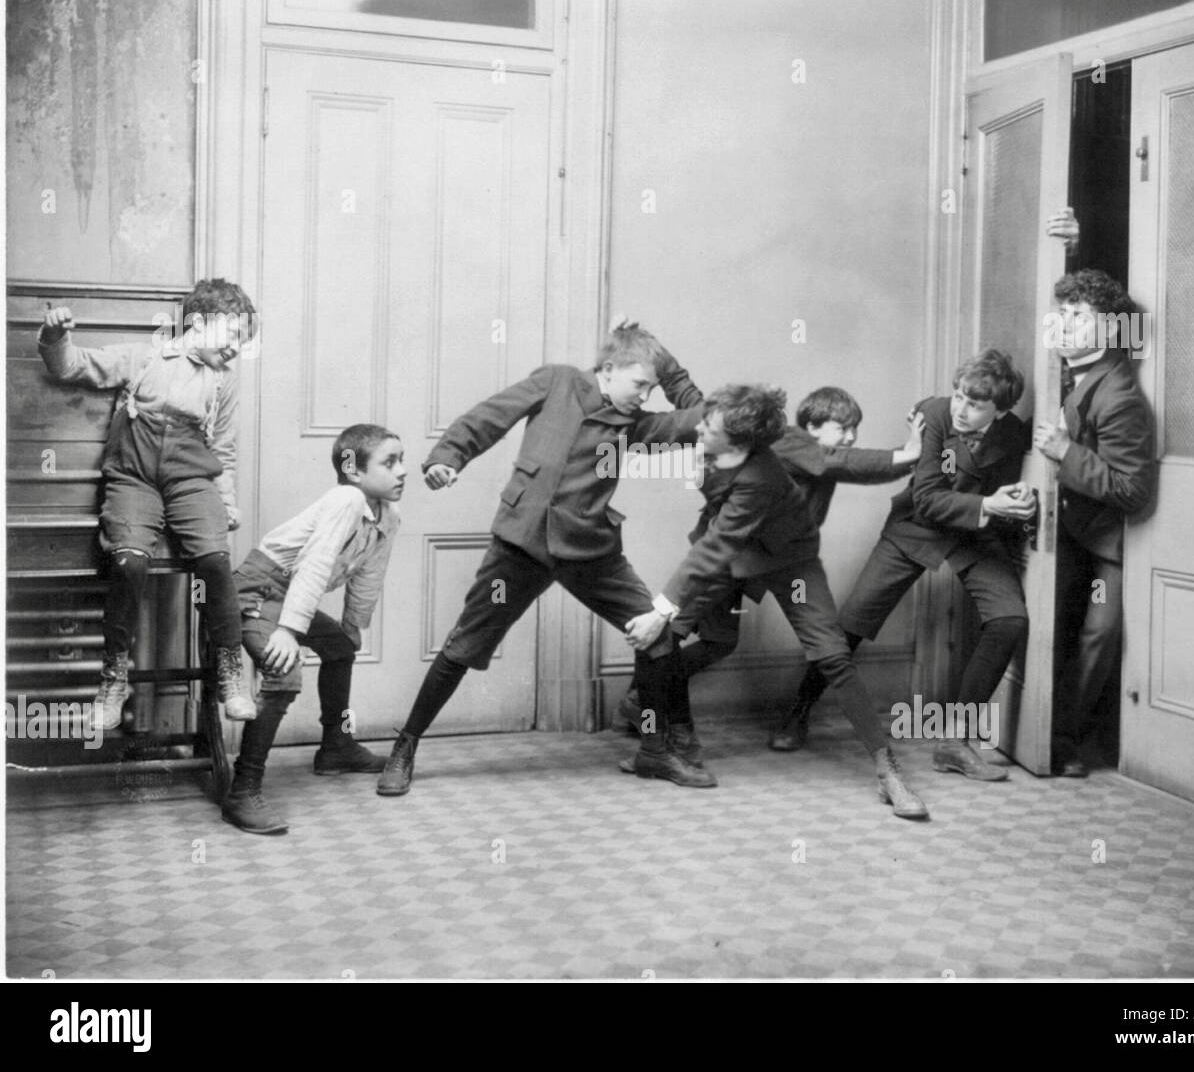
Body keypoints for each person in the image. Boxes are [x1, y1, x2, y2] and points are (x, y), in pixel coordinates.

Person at [376, 322, 707, 795]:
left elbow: (701, 418)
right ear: (608, 370)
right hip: (523, 545)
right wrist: (448, 456)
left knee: (656, 635)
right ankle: (405, 746)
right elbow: (491, 415)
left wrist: (666, 365)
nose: (645, 395)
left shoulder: (636, 426)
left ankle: (654, 750)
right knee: (464, 645)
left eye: (653, 387)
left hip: (591, 551)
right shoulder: (559, 382)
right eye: (640, 384)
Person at [624, 384, 930, 818]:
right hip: (729, 558)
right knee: (662, 641)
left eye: (853, 429)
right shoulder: (745, 435)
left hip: (789, 563)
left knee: (834, 658)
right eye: (842, 427)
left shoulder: (775, 452)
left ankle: (886, 770)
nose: (849, 436)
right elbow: (687, 400)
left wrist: (907, 454)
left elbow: (836, 462)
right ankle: (661, 738)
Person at [773, 350, 1036, 781]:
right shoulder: (932, 415)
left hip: (974, 534)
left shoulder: (1012, 433)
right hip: (916, 527)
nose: (960, 408)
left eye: (974, 404)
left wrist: (1022, 500)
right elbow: (929, 497)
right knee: (849, 626)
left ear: (1001, 409)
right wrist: (989, 503)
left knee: (1009, 619)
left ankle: (957, 741)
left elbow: (1010, 484)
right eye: (957, 396)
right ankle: (795, 713)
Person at [38, 282, 258, 731]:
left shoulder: (222, 383)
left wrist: (227, 502)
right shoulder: (143, 358)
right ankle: (113, 679)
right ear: (197, 324)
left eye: (243, 341)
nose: (237, 348)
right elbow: (72, 366)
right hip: (133, 480)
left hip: (191, 481)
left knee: (215, 560)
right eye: (232, 335)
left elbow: (226, 453)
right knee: (129, 563)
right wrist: (55, 336)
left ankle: (231, 671)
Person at [222, 424, 405, 833]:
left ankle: (336, 747)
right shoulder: (346, 498)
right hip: (259, 590)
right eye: (389, 463)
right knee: (282, 669)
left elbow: (369, 576)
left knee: (340, 648)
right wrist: (288, 630)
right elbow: (316, 564)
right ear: (354, 471)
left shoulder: (389, 516)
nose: (402, 471)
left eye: (401, 461)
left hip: (290, 595)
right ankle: (242, 790)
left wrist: (353, 625)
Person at [1036, 256, 1155, 777]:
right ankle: (1045, 737)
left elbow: (1132, 489)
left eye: (1078, 315)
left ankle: (1063, 742)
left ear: (1109, 327)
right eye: (1061, 313)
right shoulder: (1068, 370)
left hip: (1106, 541)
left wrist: (1066, 453)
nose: (1063, 324)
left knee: (1097, 637)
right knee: (1052, 625)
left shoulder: (1120, 393)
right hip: (1070, 529)